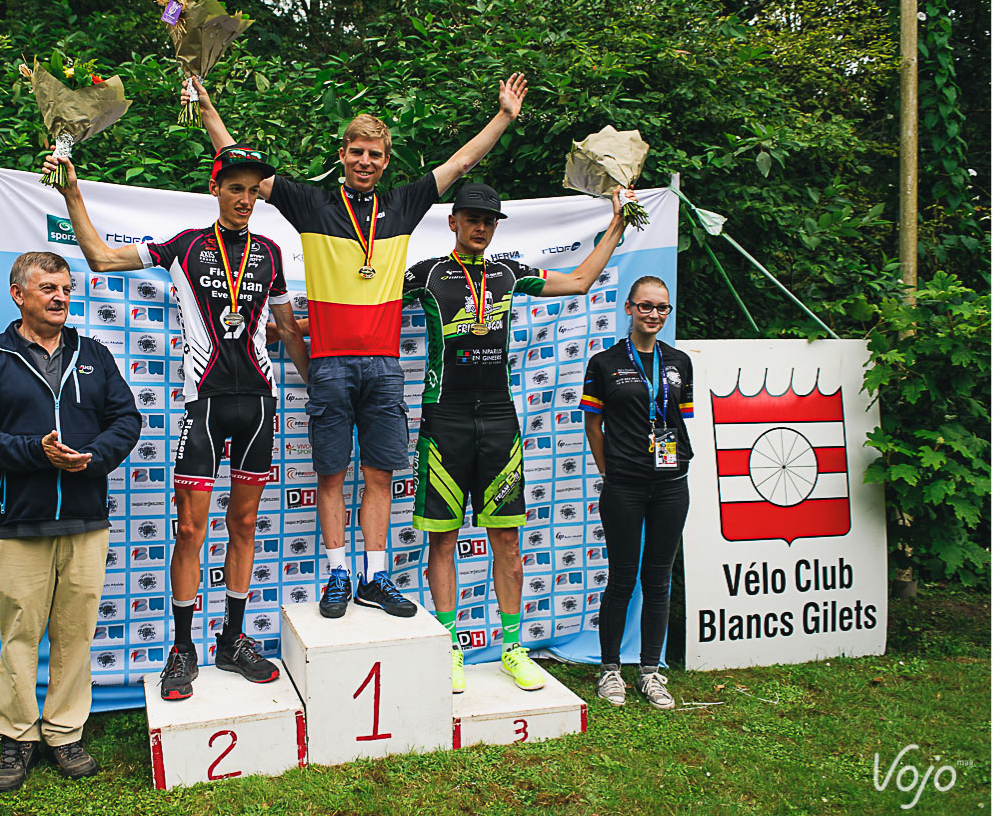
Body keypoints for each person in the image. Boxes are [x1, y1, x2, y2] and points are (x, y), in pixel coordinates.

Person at [185, 72, 527, 620]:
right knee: (331, 474)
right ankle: (338, 573)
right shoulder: (311, 203)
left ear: (386, 161)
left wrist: (505, 116)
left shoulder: (405, 202)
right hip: (331, 363)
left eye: (375, 154)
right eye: (356, 152)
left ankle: (374, 574)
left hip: (385, 365)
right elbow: (235, 161)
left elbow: (460, 163)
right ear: (342, 155)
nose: (365, 161)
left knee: (380, 474)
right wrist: (205, 105)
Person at [48, 146, 302, 702]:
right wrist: (71, 191)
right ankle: (182, 648)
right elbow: (99, 258)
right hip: (205, 403)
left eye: (253, 188)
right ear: (216, 189)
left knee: (245, 525)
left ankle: (233, 639)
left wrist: (319, 388)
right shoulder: (185, 246)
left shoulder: (271, 252)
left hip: (260, 404)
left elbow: (285, 327)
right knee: (190, 530)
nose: (245, 198)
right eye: (234, 187)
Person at [403, 182, 635, 694]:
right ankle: (449, 647)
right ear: (453, 222)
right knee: (442, 537)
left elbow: (577, 282)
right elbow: (365, 305)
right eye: (471, 218)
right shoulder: (425, 274)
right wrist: (290, 323)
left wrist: (617, 226)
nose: (480, 227)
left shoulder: (509, 273)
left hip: (500, 422)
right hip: (444, 420)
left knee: (506, 539)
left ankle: (513, 648)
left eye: (488, 220)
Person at [0, 251, 143, 794]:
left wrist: (95, 455)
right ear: (19, 294)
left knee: (75, 634)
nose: (60, 296)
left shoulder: (94, 354)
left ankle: (64, 733)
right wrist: (36, 452)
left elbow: (126, 418)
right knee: (19, 634)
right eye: (48, 288)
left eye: (65, 287)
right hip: (18, 521)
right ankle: (16, 739)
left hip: (85, 518)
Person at [581, 275, 693, 710]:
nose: (653, 314)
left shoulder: (679, 362)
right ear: (629, 309)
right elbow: (594, 424)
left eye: (661, 308)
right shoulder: (605, 362)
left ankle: (649, 671)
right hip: (624, 485)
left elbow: (679, 419)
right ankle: (610, 670)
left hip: (671, 483)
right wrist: (609, 470)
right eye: (645, 306)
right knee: (623, 577)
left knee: (659, 578)